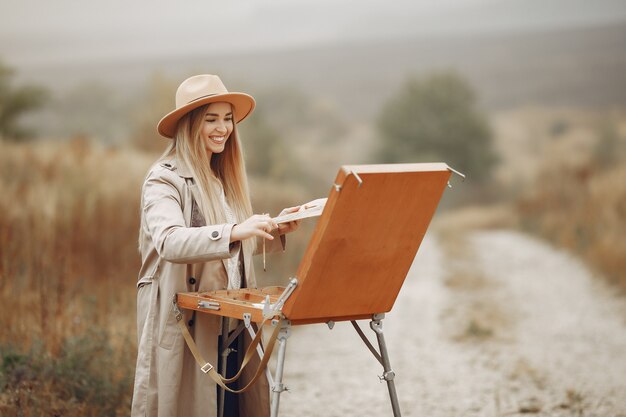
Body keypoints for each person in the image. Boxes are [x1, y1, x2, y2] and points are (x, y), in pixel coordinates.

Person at [131, 74, 301, 417]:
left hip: (231, 321)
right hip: (185, 323)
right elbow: (169, 242)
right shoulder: (164, 178)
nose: (222, 128)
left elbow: (226, 252)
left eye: (227, 119)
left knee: (232, 409)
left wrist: (272, 228)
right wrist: (238, 229)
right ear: (190, 124)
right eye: (211, 119)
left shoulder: (221, 176)